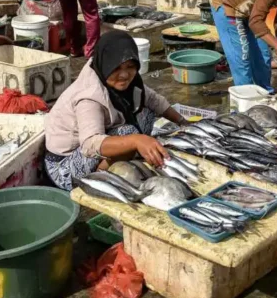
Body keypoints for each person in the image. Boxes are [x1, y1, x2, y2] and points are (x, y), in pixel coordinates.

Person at [45, 31, 188, 190]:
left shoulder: (130, 82)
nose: (125, 75)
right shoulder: (89, 96)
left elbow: (154, 100)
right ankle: (102, 173)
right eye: (116, 68)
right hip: (64, 167)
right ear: (105, 65)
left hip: (93, 143)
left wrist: (184, 123)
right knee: (128, 132)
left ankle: (122, 155)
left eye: (130, 66)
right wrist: (136, 140)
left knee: (146, 111)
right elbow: (89, 144)